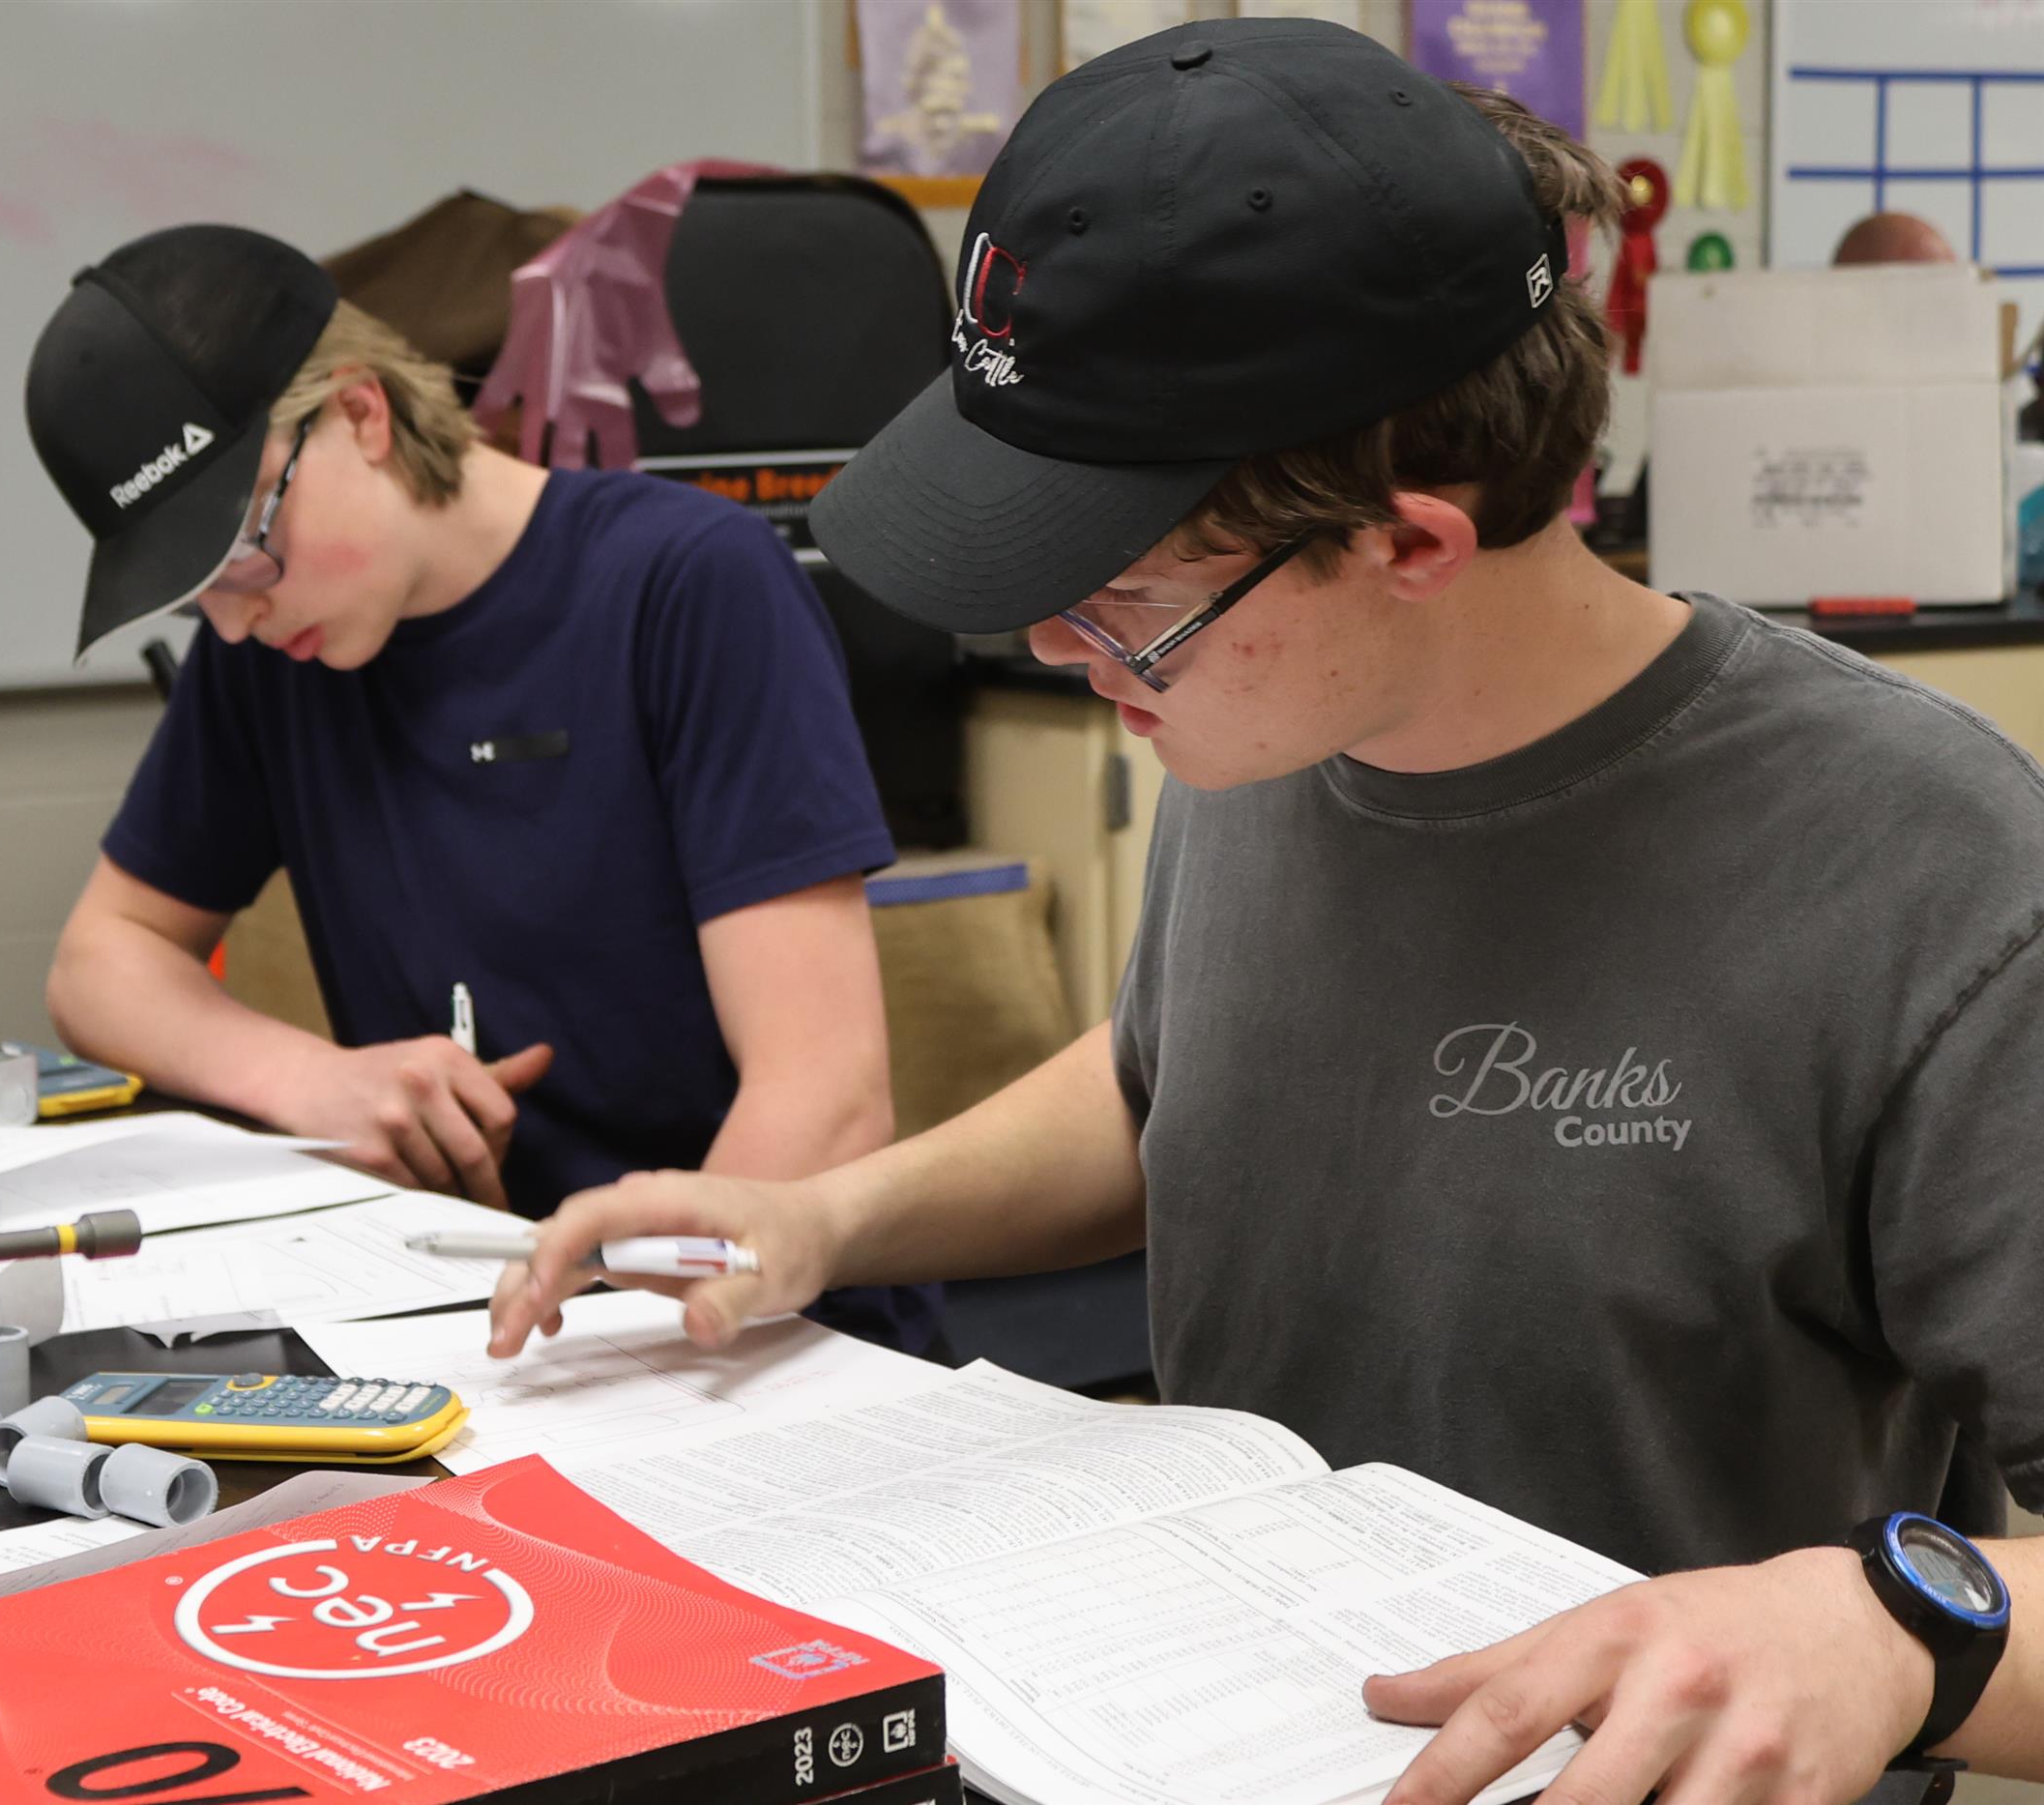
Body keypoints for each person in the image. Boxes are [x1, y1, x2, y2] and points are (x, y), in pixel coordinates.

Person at [486, 18, 2044, 1799]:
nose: (1061, 651)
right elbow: (1176, 1085)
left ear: (1412, 544)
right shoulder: (1268, 717)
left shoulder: (1926, 866)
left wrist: (1889, 1634)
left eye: (1119, 600)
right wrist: (827, 1215)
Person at [24, 223, 938, 1354]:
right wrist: (311, 1080)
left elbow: (826, 1098)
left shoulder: (686, 586)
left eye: (245, 545)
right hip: (482, 1329)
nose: (236, 616)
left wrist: (626, 1333)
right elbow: (100, 960)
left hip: (748, 1336)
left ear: (361, 415)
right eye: (193, 591)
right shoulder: (266, 654)